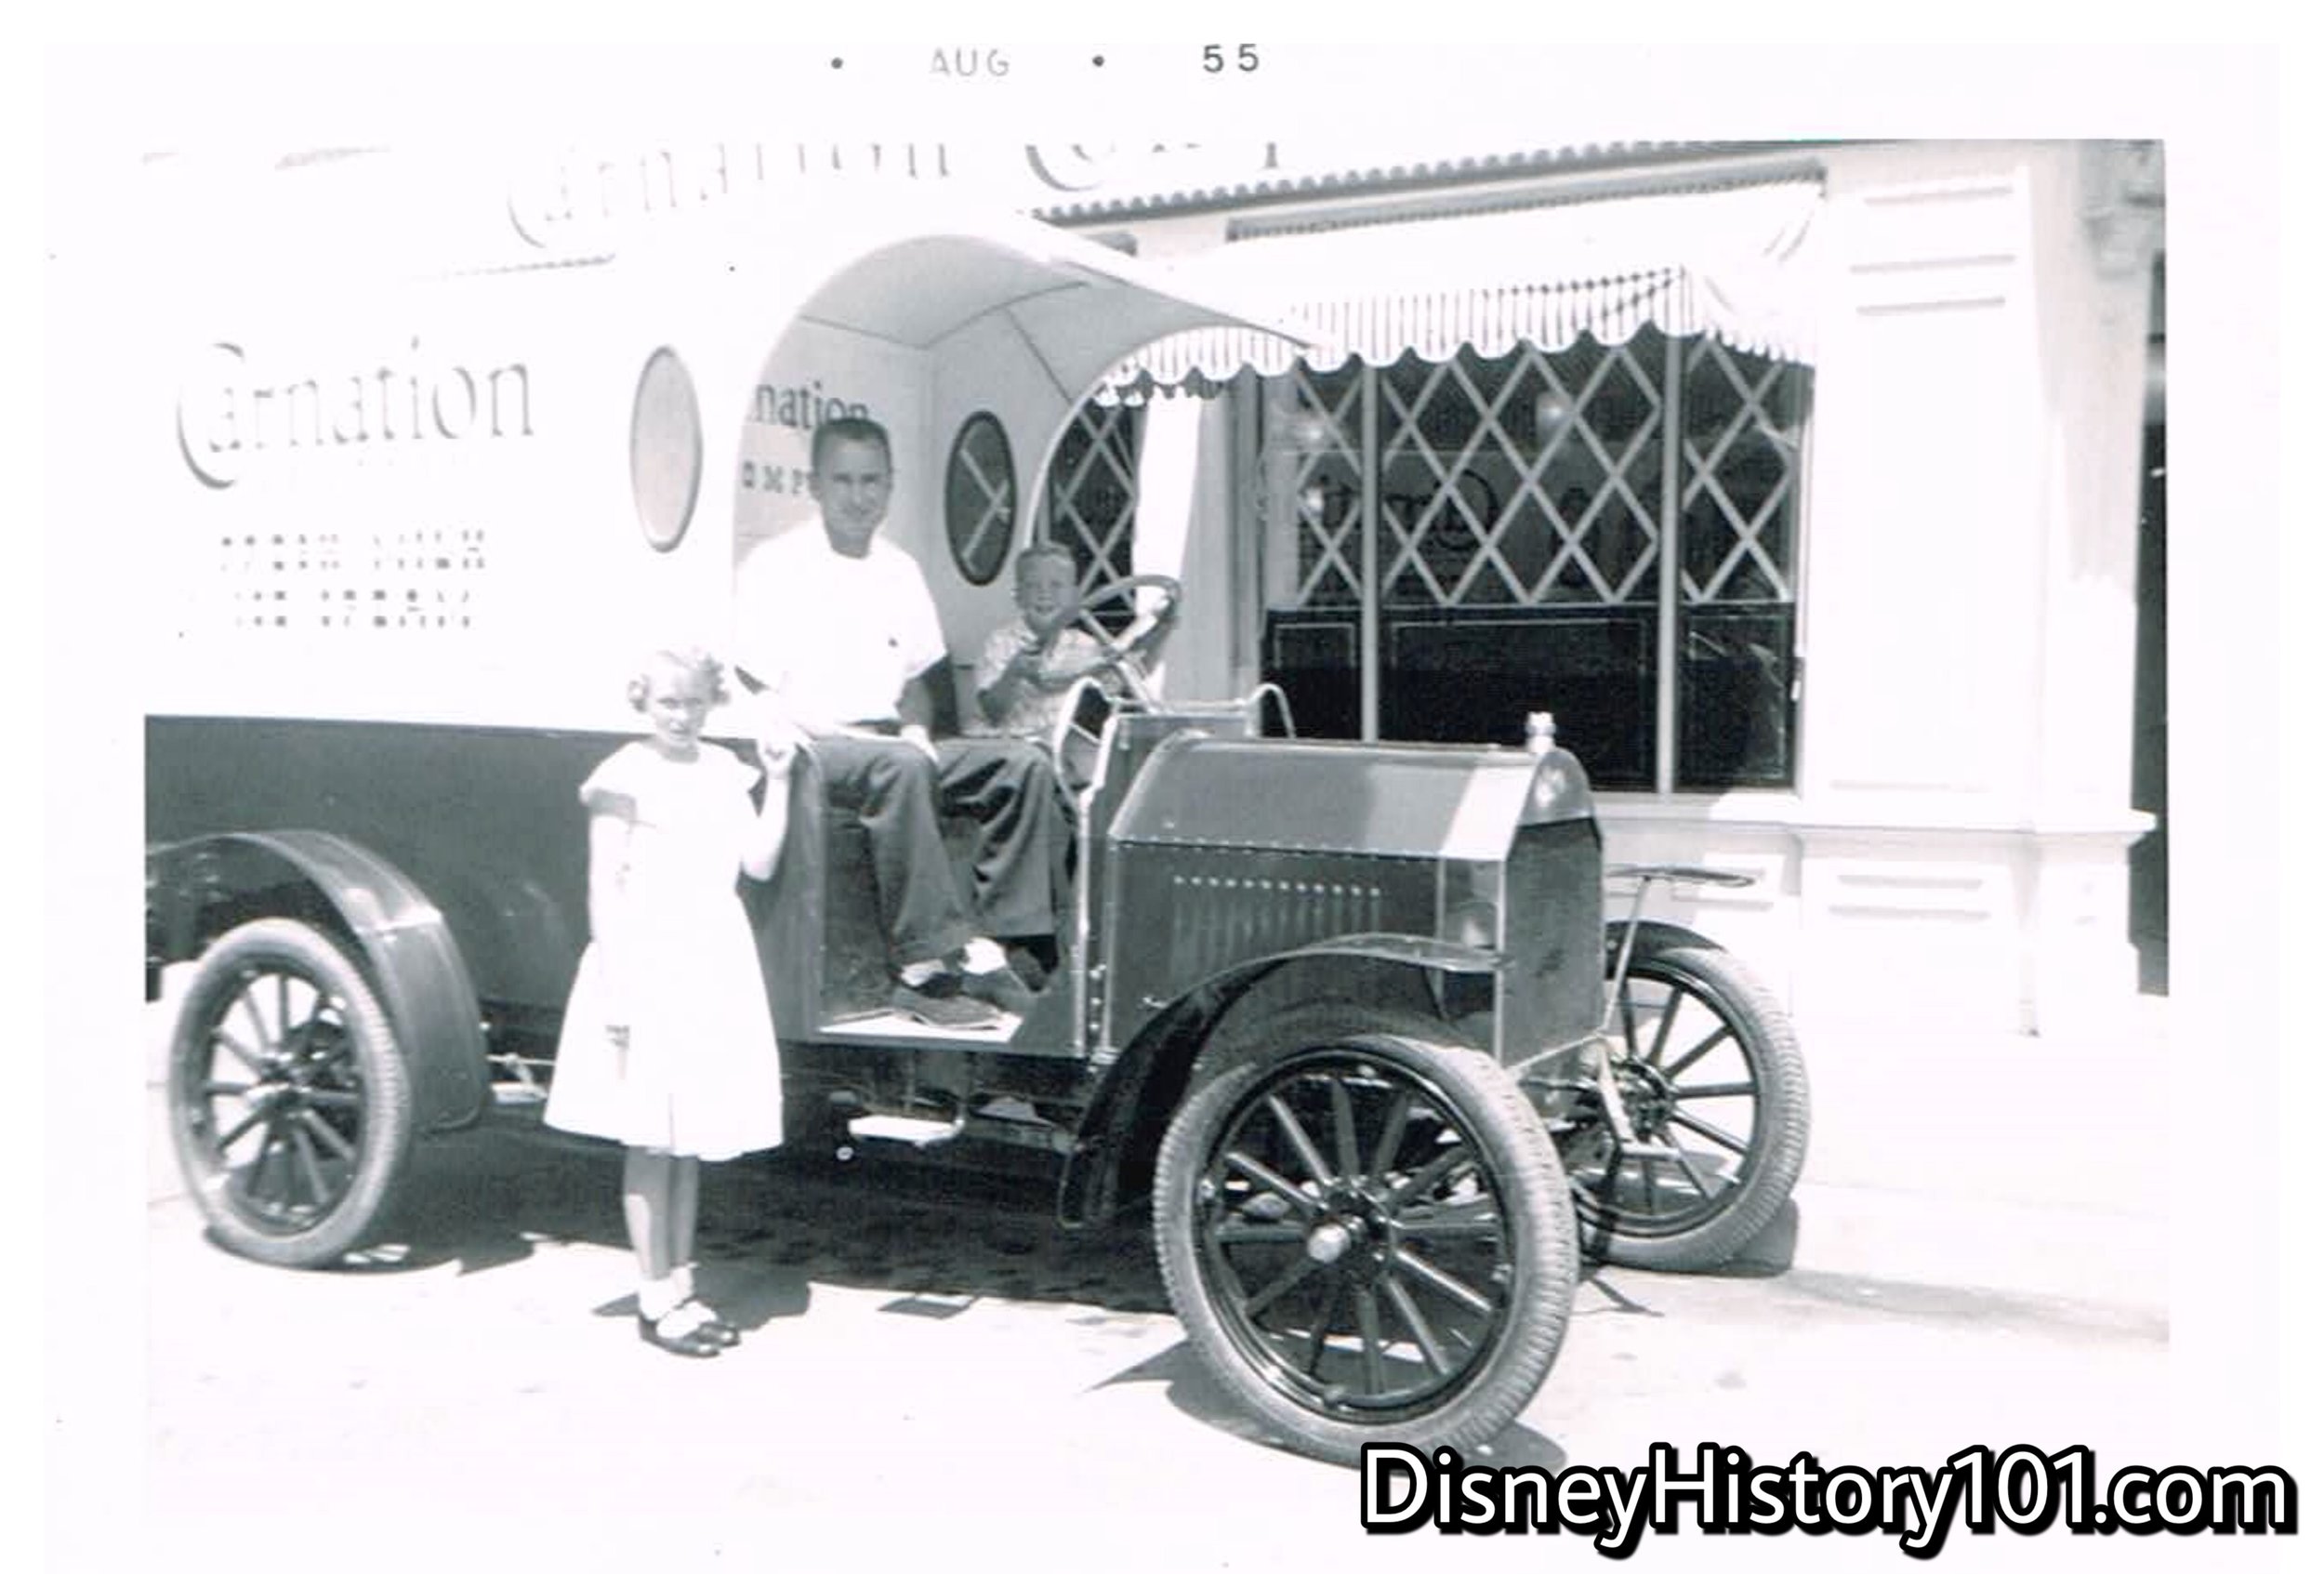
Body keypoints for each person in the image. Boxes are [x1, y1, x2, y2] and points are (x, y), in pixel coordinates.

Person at [733, 416, 1050, 1027]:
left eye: (872, 481)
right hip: (810, 749)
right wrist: (863, 739)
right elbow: (759, 692)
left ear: (891, 485)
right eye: (844, 480)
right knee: (900, 766)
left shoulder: (898, 568)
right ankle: (922, 971)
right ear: (816, 485)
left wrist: (913, 729)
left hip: (885, 741)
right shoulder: (776, 566)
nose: (859, 496)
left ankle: (1011, 949)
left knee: (1022, 764)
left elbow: (917, 682)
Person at [545, 646, 793, 1359]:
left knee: (689, 1141)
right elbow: (604, 887)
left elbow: (760, 862)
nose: (682, 717)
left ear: (711, 703)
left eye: (693, 702)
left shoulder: (723, 770)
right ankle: (654, 1297)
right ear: (643, 704)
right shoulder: (624, 775)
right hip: (648, 956)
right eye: (667, 704)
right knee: (651, 1139)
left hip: (713, 954)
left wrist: (775, 781)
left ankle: (681, 1287)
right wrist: (618, 990)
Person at [970, 542, 1177, 743]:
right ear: (1018, 596)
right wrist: (1013, 673)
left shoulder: (1084, 644)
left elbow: (1127, 674)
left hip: (1066, 744)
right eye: (1033, 586)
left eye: (1056, 585)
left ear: (1074, 596)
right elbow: (992, 711)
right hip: (1016, 744)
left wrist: (1161, 631)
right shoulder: (1001, 643)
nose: (1045, 594)